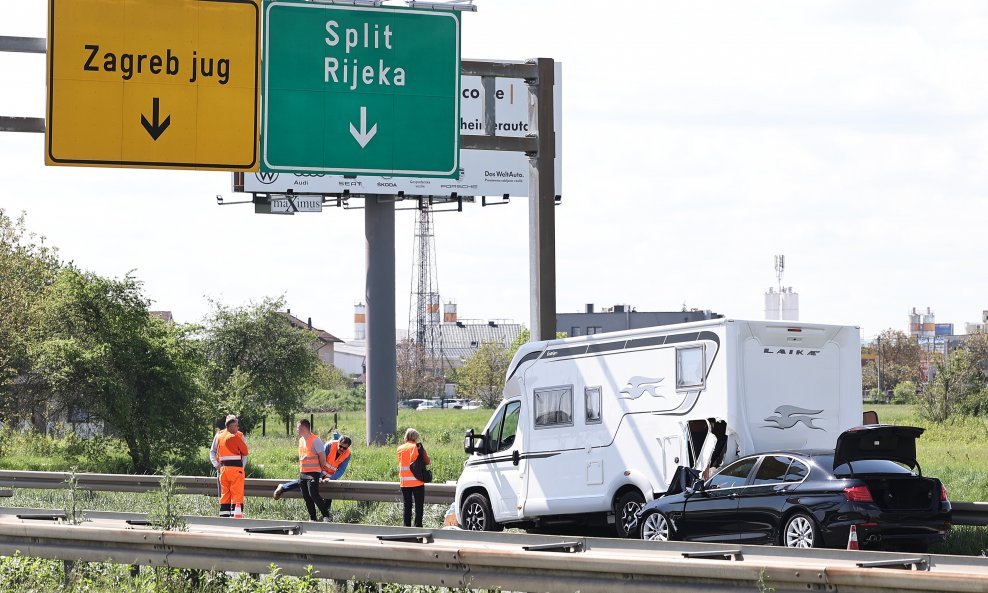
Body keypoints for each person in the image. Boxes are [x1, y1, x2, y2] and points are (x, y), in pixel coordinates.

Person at [273, 432, 352, 500]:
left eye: (344, 448)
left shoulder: (347, 454)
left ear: (347, 447)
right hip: (318, 470)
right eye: (340, 446)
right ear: (338, 442)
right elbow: (319, 460)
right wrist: (319, 476)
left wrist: (330, 478)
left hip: (330, 476)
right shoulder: (329, 446)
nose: (341, 449)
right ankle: (283, 487)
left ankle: (326, 514)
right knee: (304, 481)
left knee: (328, 494)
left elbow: (341, 470)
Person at [296, 419, 334, 521]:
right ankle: (313, 518)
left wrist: (320, 471)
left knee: (313, 494)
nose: (296, 430)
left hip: (314, 472)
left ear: (304, 428)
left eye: (298, 427)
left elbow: (322, 457)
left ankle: (326, 515)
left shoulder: (316, 440)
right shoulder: (301, 440)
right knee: (306, 496)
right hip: (303, 472)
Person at [215, 415, 249, 518]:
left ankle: (224, 517)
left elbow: (215, 452)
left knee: (225, 493)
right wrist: (241, 468)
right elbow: (245, 453)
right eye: (236, 425)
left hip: (224, 469)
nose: (237, 427)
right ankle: (236, 515)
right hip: (236, 469)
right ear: (231, 425)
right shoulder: (238, 436)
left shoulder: (219, 436)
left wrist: (217, 465)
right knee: (237, 493)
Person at [397, 427, 430, 528]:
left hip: (404, 482)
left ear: (406, 436)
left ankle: (406, 528)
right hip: (417, 481)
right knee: (418, 506)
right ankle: (418, 528)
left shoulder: (400, 448)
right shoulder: (417, 447)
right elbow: (427, 461)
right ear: (415, 437)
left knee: (407, 506)